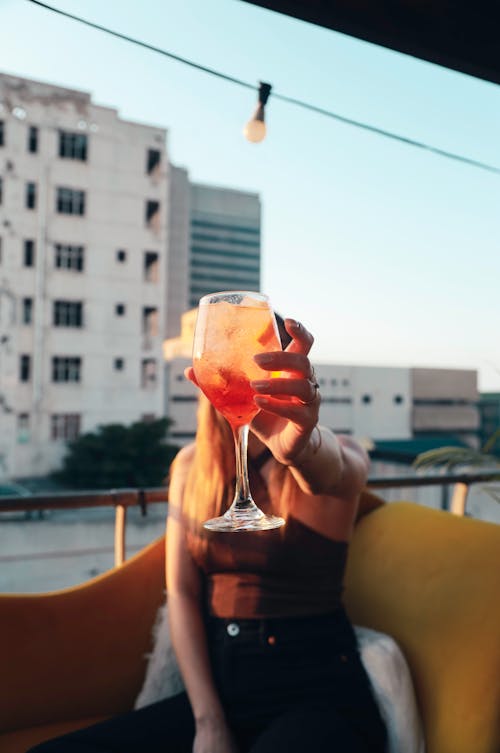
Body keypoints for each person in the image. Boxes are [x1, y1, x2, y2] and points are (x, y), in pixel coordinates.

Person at [29, 317, 386, 753]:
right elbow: (181, 593)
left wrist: (301, 445)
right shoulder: (191, 466)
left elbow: (333, 470)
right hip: (221, 687)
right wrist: (209, 722)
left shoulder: (332, 449)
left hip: (316, 690)